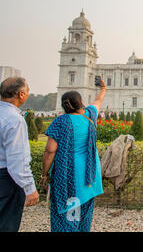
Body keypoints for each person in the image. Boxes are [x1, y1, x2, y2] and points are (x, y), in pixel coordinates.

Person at [41, 79, 106, 232]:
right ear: (81, 102)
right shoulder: (90, 115)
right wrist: (103, 87)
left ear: (64, 105)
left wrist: (44, 174)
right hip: (90, 175)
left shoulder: (60, 122)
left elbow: (50, 151)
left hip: (69, 175)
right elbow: (98, 99)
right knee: (85, 213)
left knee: (68, 215)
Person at [0, 77, 39, 232]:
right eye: (28, 90)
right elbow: (17, 160)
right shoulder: (14, 120)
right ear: (21, 95)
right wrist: (29, 188)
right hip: (6, 180)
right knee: (6, 223)